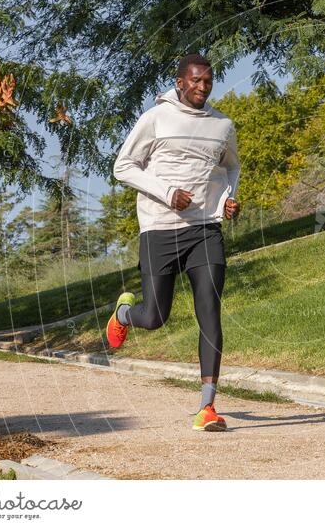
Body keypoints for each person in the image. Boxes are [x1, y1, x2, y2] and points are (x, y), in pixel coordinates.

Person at [106, 53, 240, 432]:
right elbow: (123, 166)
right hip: (159, 228)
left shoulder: (222, 125)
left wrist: (228, 198)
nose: (202, 87)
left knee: (209, 311)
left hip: (204, 229)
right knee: (156, 315)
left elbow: (231, 166)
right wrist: (166, 192)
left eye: (208, 81)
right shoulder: (155, 119)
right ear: (179, 82)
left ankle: (207, 407)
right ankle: (124, 315)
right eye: (195, 80)